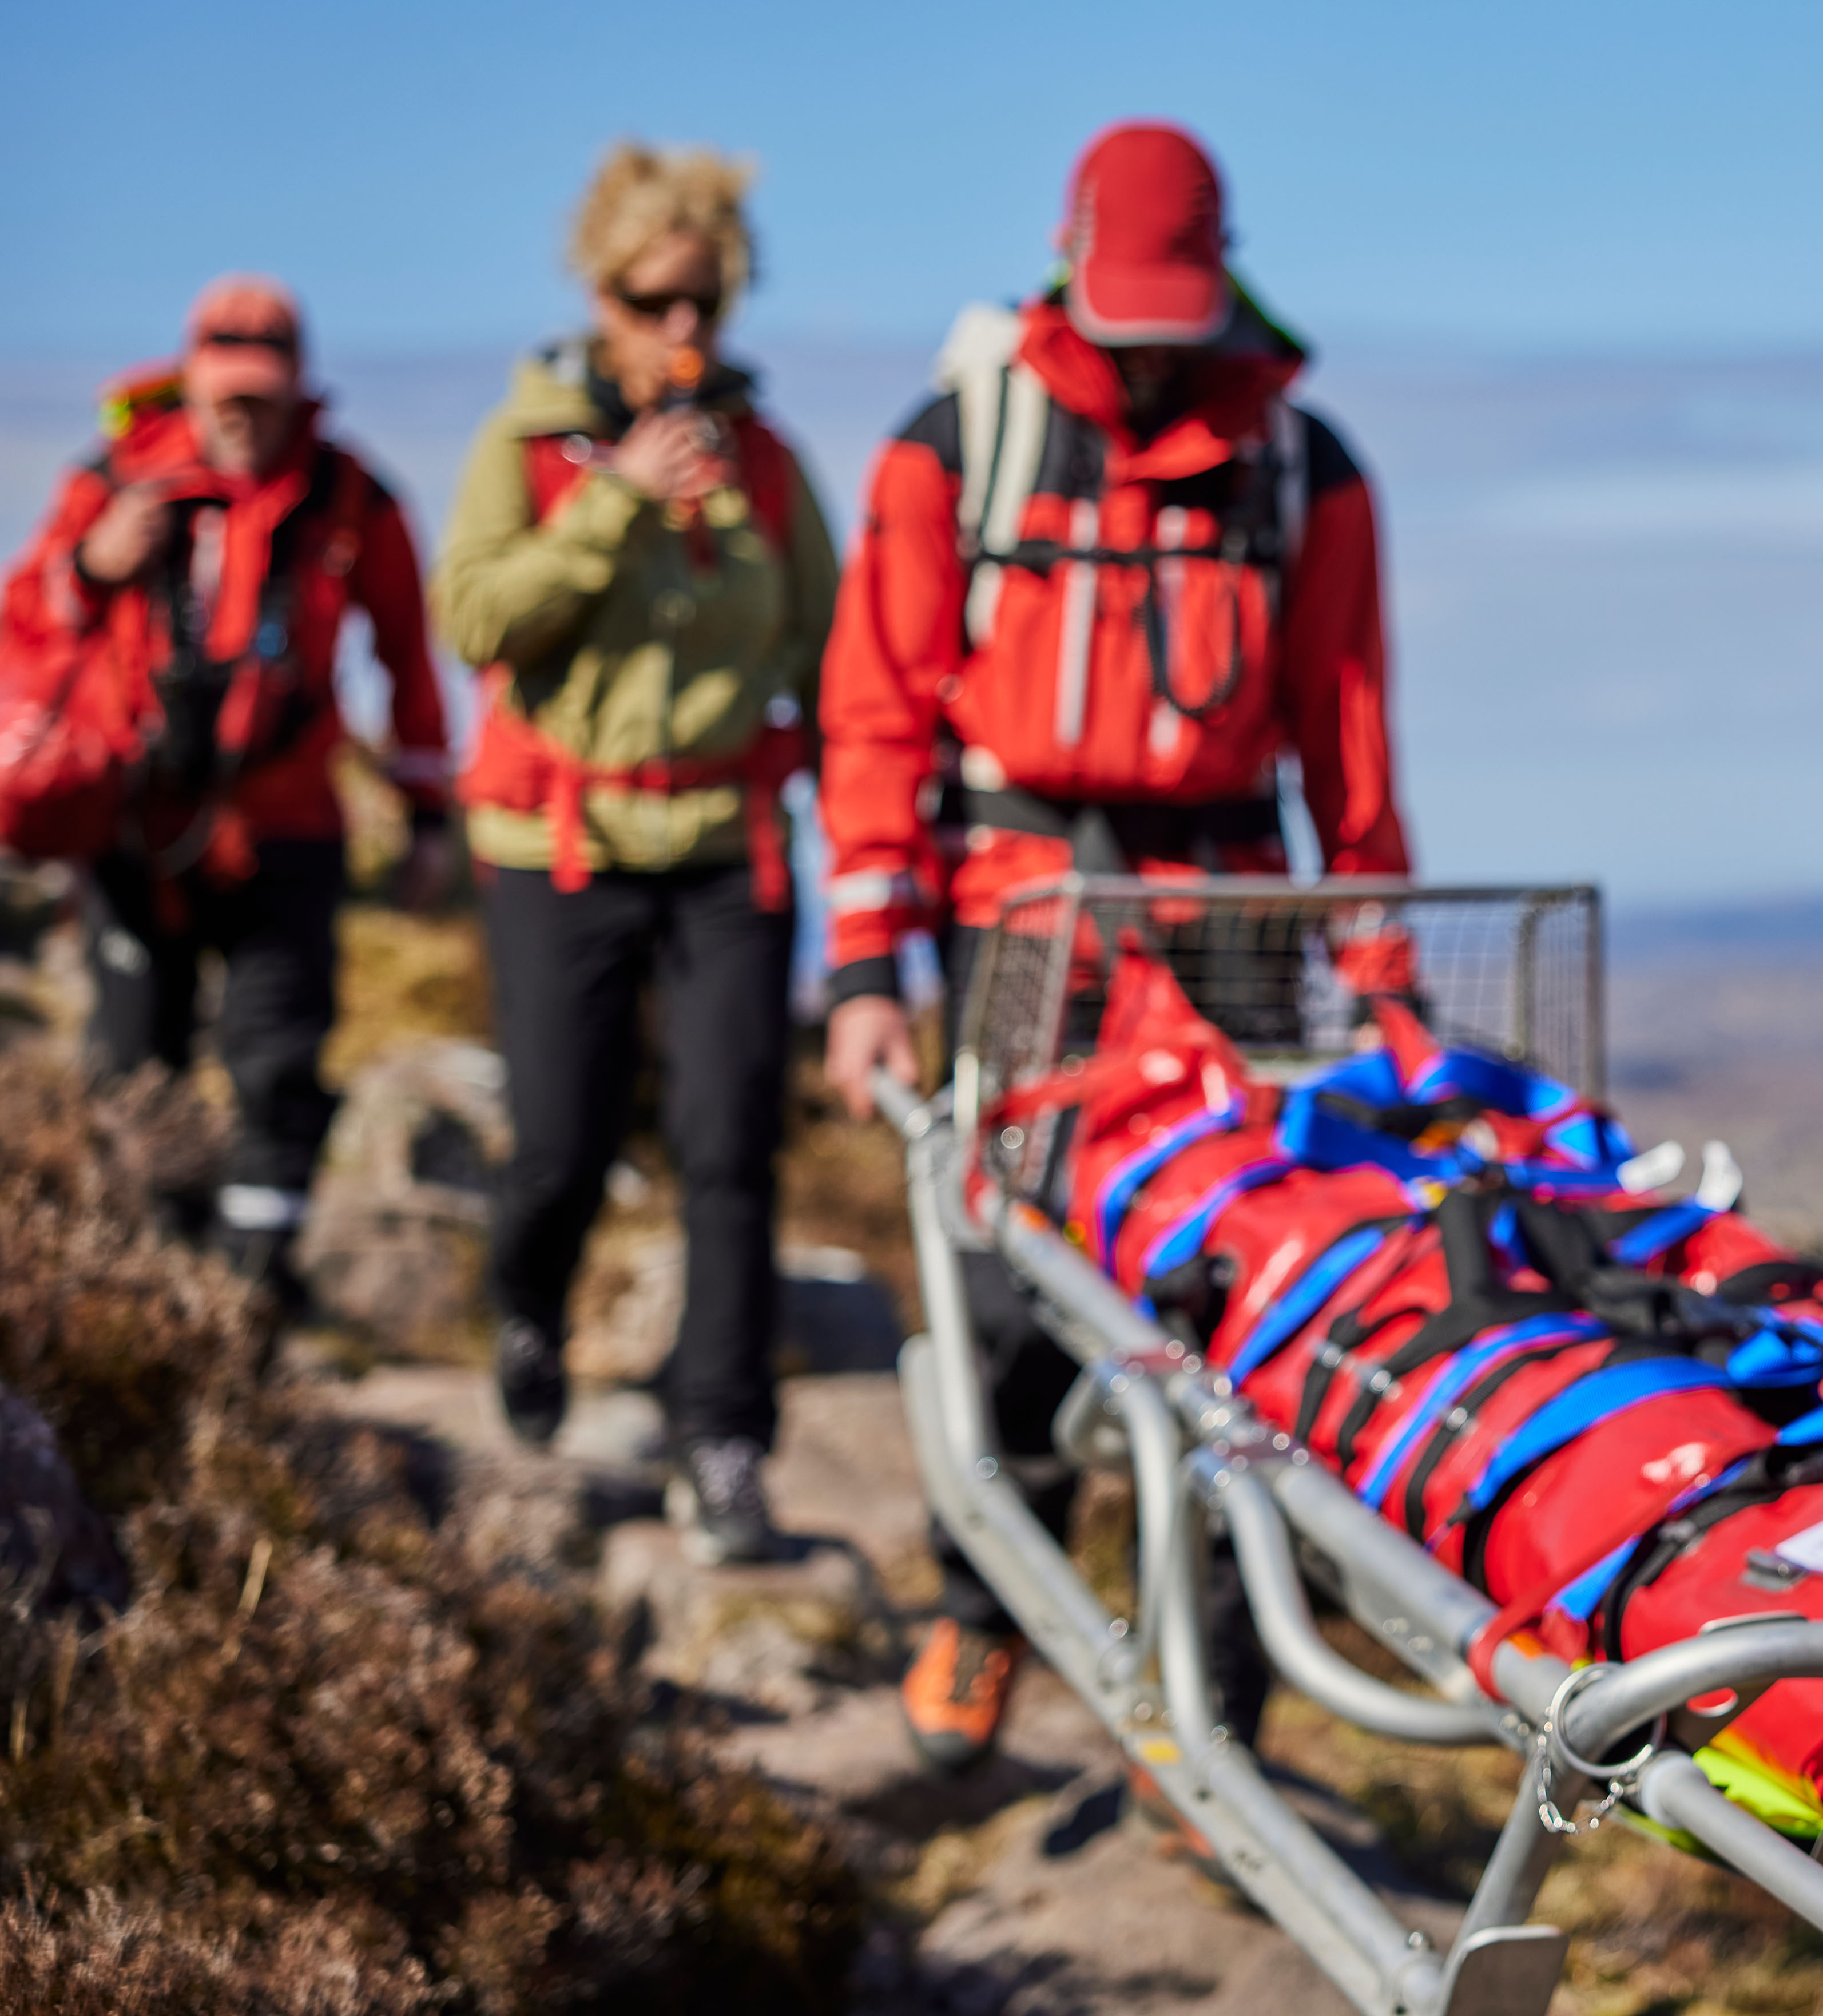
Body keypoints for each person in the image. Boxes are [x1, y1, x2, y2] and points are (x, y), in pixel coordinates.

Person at [817, 120, 1411, 1772]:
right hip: (1020, 911)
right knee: (1009, 1282)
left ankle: (1217, 1711)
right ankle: (981, 1610)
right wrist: (866, 966)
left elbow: (1347, 743)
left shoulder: (1305, 468)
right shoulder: (960, 446)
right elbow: (873, 717)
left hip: (1228, 916)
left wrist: (1378, 974)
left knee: (1253, 1298)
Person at [433, 142, 837, 1565]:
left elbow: (829, 656)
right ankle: (530, 1308)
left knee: (732, 1148)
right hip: (559, 843)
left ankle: (722, 1439)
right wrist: (614, 502)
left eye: (704, 303)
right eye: (651, 299)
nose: (680, 331)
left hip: (730, 846)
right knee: (564, 1142)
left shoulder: (771, 465)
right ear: (599, 295)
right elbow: (478, 619)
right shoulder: (527, 447)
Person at [0, 275, 453, 1299]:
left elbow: (411, 659)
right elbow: (26, 615)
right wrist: (93, 561)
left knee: (277, 1061)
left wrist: (429, 814)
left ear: (299, 385)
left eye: (265, 395)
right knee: (131, 1057)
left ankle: (255, 1287)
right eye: (228, 396)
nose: (246, 417)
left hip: (287, 823)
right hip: (134, 825)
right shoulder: (115, 481)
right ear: (193, 385)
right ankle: (151, 1278)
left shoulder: (352, 495)